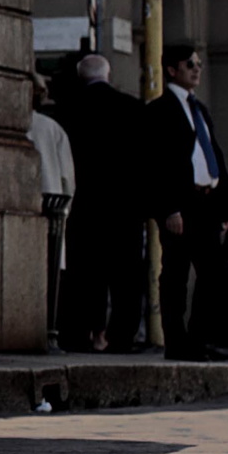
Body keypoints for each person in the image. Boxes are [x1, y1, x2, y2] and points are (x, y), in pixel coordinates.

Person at [145, 43, 228, 363]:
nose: (197, 69)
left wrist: (225, 208)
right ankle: (177, 342)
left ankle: (205, 338)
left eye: (198, 63)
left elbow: (213, 155)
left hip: (208, 204)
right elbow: (158, 164)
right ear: (172, 70)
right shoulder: (161, 110)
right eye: (190, 64)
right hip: (181, 206)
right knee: (175, 274)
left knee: (214, 272)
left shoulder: (198, 109)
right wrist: (169, 208)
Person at [56, 54, 148, 353]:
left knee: (84, 273)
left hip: (83, 204)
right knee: (127, 276)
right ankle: (122, 337)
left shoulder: (66, 109)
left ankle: (80, 334)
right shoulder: (132, 108)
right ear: (109, 73)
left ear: (81, 77)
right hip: (125, 205)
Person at [29, 76, 75, 349]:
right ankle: (49, 331)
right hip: (52, 208)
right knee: (51, 275)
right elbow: (68, 178)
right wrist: (65, 209)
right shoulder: (52, 128)